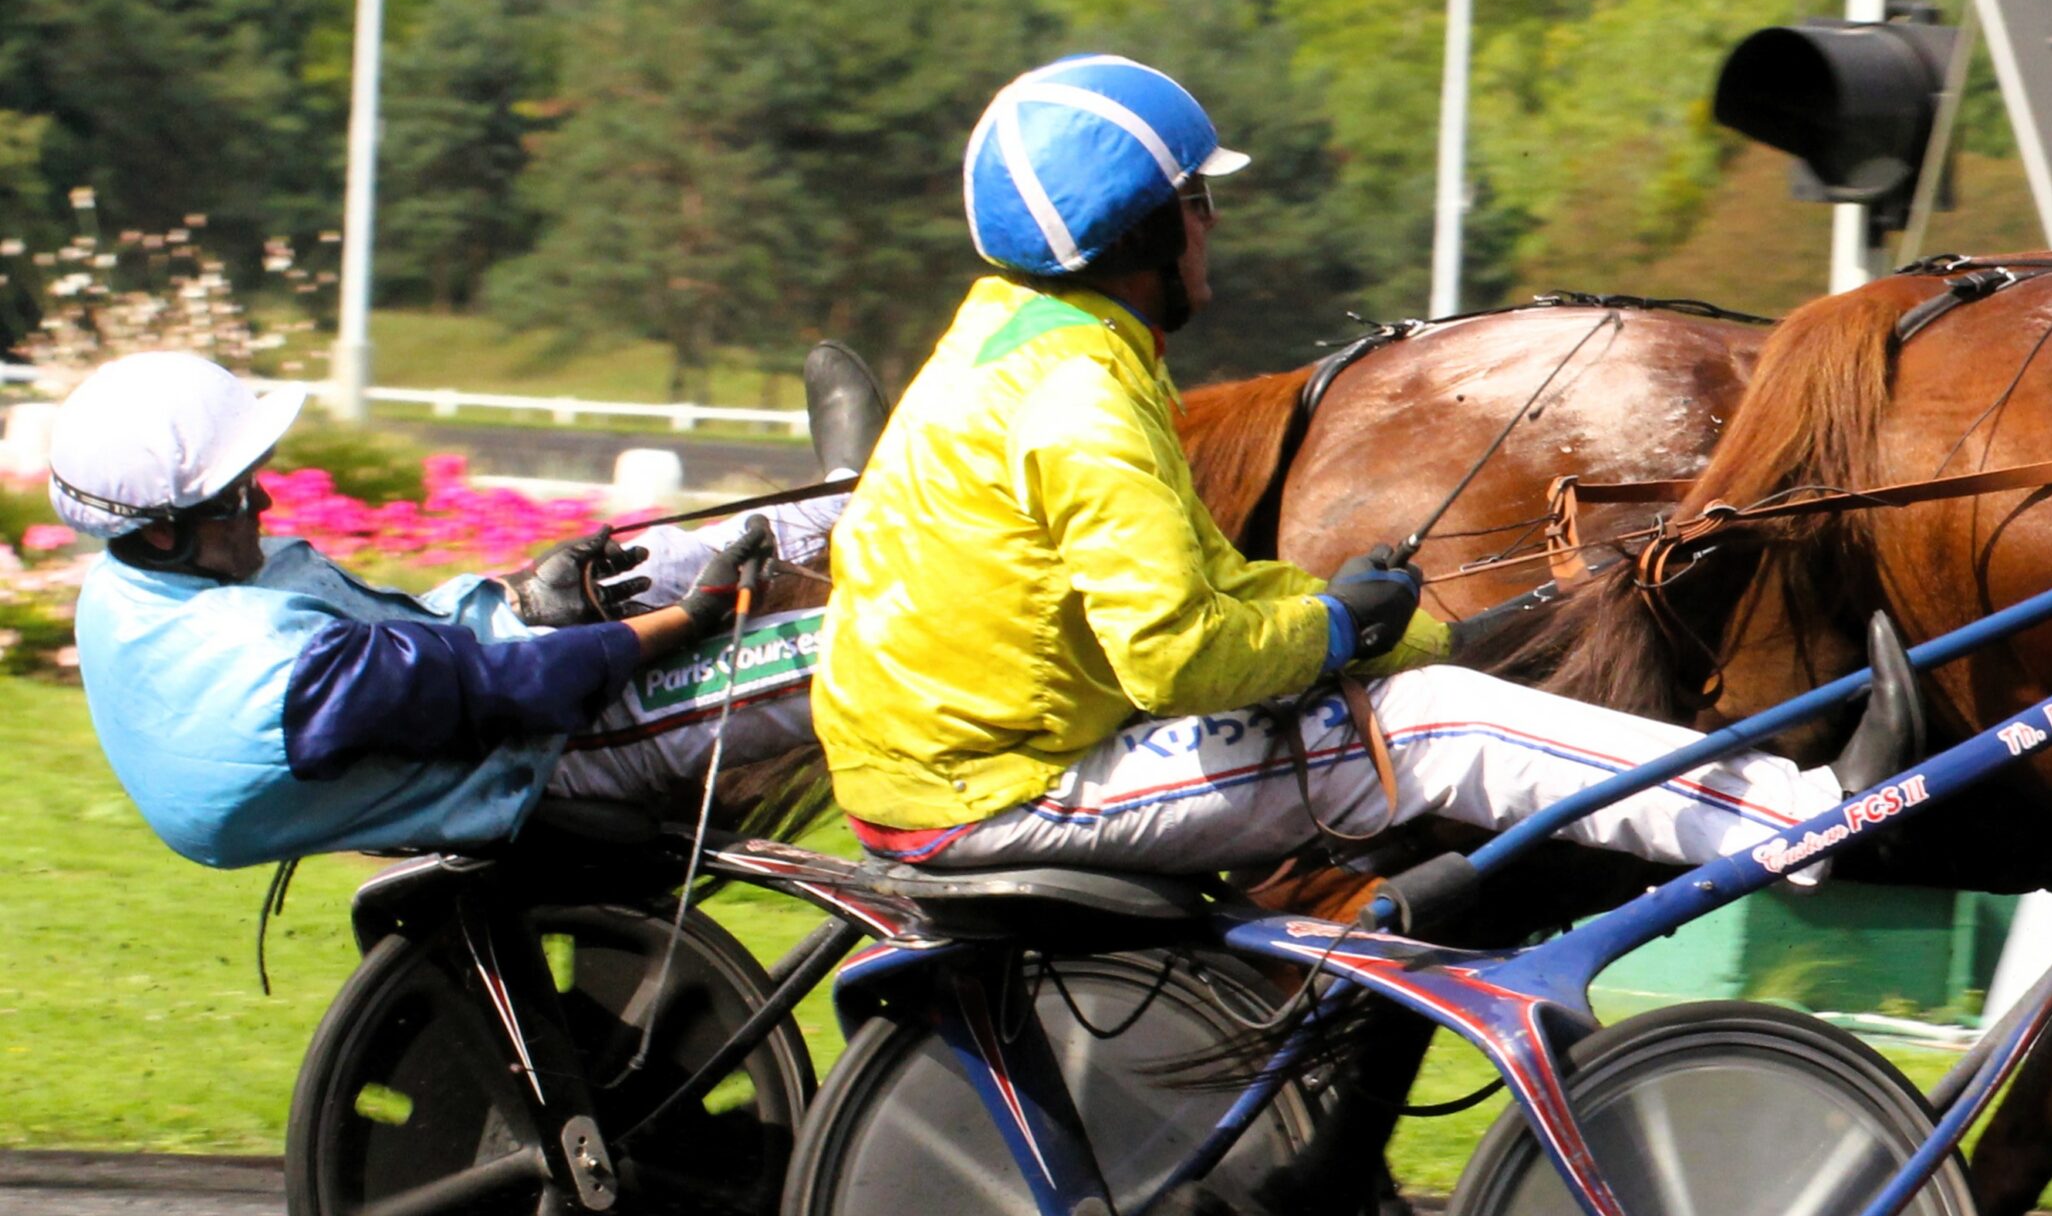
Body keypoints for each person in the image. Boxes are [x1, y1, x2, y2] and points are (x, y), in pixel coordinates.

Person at [812, 53, 1924, 908]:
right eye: (1201, 203)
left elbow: (1199, 584)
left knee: (1433, 687)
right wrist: (1342, 634)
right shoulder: (1083, 401)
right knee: (1440, 732)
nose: (1213, 228)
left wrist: (1417, 634)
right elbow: (1173, 658)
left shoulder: (1018, 344)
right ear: (1152, 228)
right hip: (1000, 796)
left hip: (953, 771)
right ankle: (1805, 817)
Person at [52, 348, 882, 868]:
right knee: (846, 649)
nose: (263, 500)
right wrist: (685, 624)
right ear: (163, 533)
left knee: (652, 560)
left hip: (447, 718)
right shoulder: (283, 675)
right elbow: (507, 689)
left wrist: (525, 599)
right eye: (236, 495)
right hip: (529, 761)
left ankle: (847, 506)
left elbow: (409, 652)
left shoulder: (133, 588)